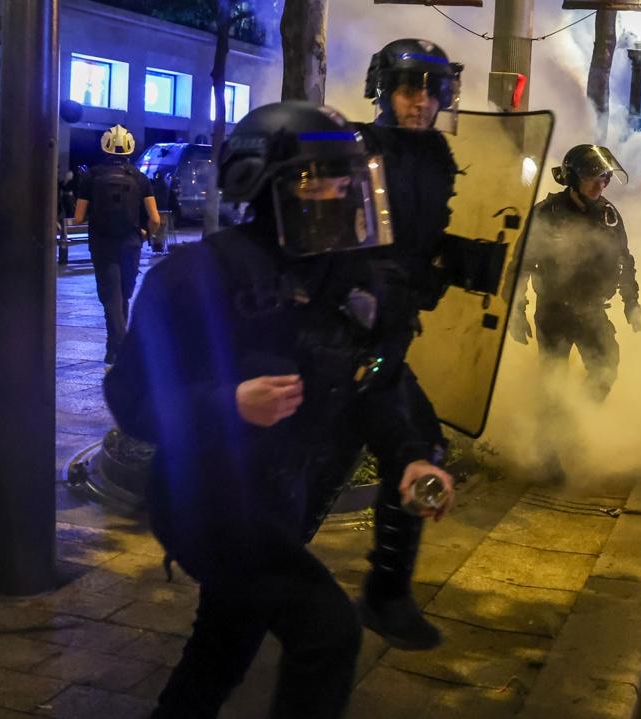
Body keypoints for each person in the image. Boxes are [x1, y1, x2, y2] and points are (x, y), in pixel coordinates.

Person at [103, 101, 454, 718]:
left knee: (223, 646)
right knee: (327, 634)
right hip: (205, 501)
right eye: (320, 177)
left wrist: (409, 459)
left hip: (277, 499)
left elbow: (373, 383)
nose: (340, 192)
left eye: (346, 178)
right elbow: (131, 400)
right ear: (261, 182)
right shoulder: (196, 277)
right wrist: (227, 404)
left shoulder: (348, 279)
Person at [297, 38, 464, 653]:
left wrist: (451, 259)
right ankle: (266, 580)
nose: (422, 100)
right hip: (345, 336)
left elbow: (422, 238)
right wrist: (370, 283)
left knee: (412, 448)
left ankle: (385, 593)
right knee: (331, 462)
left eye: (432, 88)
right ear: (384, 90)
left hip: (389, 335)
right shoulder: (353, 148)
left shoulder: (439, 154)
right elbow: (322, 242)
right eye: (409, 87)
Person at [509, 144, 640, 485]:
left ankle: (572, 424)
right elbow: (521, 263)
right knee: (552, 381)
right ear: (572, 177)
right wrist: (517, 311)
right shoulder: (548, 213)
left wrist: (631, 303)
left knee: (606, 367)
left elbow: (625, 261)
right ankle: (547, 456)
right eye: (593, 177)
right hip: (554, 310)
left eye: (606, 177)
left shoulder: (609, 215)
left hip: (593, 309)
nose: (601, 184)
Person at [73, 125, 159, 364]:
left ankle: (118, 349)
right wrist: (143, 234)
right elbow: (155, 219)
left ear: (105, 146)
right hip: (131, 243)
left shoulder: (92, 176)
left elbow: (78, 217)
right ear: (130, 147)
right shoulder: (140, 178)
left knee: (111, 297)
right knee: (124, 296)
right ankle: (115, 349)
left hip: (102, 243)